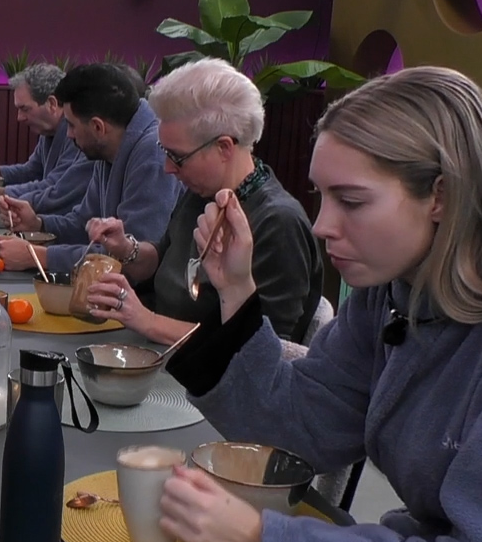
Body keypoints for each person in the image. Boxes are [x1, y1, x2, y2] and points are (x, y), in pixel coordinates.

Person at [161, 66, 482, 542]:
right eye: (321, 196)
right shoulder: (393, 295)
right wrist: (236, 292)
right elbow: (302, 427)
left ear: (442, 195)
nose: (322, 226)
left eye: (351, 200)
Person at [84, 58, 322, 345]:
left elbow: (266, 348)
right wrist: (126, 249)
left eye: (177, 157)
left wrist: (148, 321)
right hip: (159, 352)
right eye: (164, 152)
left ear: (224, 147)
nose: (168, 168)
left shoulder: (279, 223)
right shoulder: (202, 193)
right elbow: (162, 260)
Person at [0, 63, 182, 274]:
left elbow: (130, 262)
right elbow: (81, 223)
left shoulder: (152, 155)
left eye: (71, 125)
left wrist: (37, 256)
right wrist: (38, 224)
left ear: (98, 127)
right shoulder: (107, 147)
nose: (68, 135)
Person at [0, 63, 92, 215]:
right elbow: (30, 172)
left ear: (52, 104)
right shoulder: (48, 131)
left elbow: (54, 188)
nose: (19, 117)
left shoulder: (77, 135)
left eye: (25, 109)